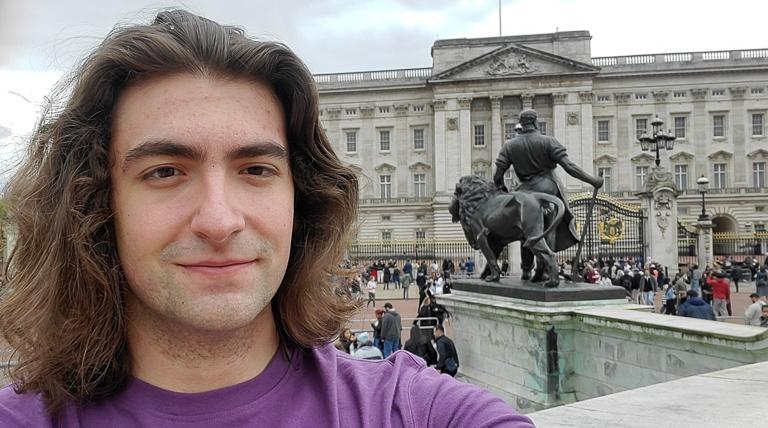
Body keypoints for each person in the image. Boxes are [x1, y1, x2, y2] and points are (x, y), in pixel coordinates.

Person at [0, 10, 534, 427]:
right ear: (95, 205)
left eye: (255, 168)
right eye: (165, 171)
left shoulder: (412, 410)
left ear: (300, 198)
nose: (218, 220)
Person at [493, 108, 603, 279]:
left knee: (525, 230)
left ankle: (526, 269)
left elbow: (498, 176)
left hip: (523, 191)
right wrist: (593, 181)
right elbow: (570, 167)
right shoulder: (548, 141)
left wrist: (504, 192)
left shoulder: (509, 145)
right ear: (536, 122)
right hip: (546, 186)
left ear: (522, 124)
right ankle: (544, 269)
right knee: (549, 225)